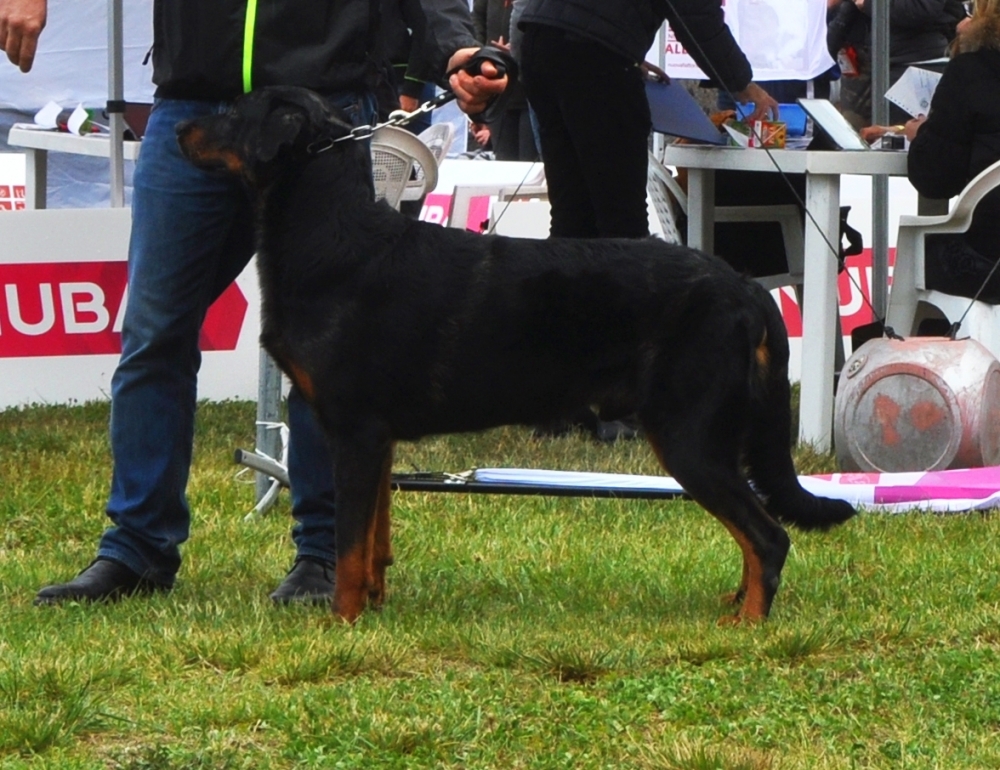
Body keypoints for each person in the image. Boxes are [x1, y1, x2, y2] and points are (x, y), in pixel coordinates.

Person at [0, 0, 506, 605]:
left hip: (320, 115)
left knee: (333, 352)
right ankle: (135, 550)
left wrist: (454, 47)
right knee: (154, 331)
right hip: (194, 103)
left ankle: (323, 554)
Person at [517, 0, 779, 240]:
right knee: (620, 219)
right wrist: (742, 83)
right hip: (594, 56)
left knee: (571, 211)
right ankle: (621, 290)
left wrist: (622, 47)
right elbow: (696, 15)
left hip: (540, 38)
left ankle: (564, 289)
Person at [901, 0, 1000, 302]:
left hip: (987, 257)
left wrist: (922, 137)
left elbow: (936, 180)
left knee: (923, 248)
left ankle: (928, 343)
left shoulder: (971, 72)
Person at [828, 0, 967, 128]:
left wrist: (870, 4)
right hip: (860, 66)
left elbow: (923, 8)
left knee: (898, 142)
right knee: (854, 142)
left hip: (908, 67)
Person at [471, 0, 538, 161]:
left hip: (529, 88)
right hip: (497, 87)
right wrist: (480, 54)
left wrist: (519, 49)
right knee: (504, 162)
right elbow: (477, 20)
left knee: (528, 164)